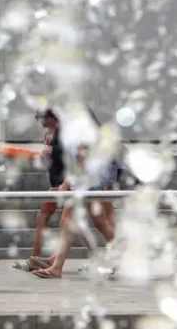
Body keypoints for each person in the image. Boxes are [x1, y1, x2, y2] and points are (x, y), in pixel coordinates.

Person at [31, 107, 117, 279]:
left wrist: (66, 184)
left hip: (86, 182)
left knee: (71, 220)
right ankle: (57, 263)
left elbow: (81, 160)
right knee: (97, 223)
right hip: (89, 180)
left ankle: (57, 266)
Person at [13, 108, 63, 272]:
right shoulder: (49, 136)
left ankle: (35, 259)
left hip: (64, 186)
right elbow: (48, 159)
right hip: (56, 185)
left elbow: (68, 160)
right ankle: (38, 259)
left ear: (52, 118)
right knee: (46, 218)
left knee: (67, 223)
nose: (41, 121)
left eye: (44, 118)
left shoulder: (62, 136)